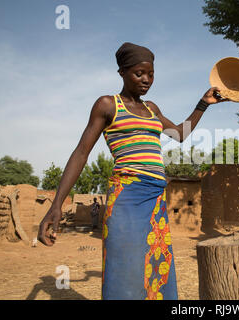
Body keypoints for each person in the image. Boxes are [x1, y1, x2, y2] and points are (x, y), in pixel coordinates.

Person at [38, 42, 228, 300]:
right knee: (124, 270)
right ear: (122, 72)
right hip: (127, 197)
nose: (146, 80)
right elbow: (81, 152)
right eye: (139, 73)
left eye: (151, 74)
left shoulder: (152, 109)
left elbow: (180, 134)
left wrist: (202, 104)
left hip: (155, 200)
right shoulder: (107, 105)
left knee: (156, 269)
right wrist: (57, 204)